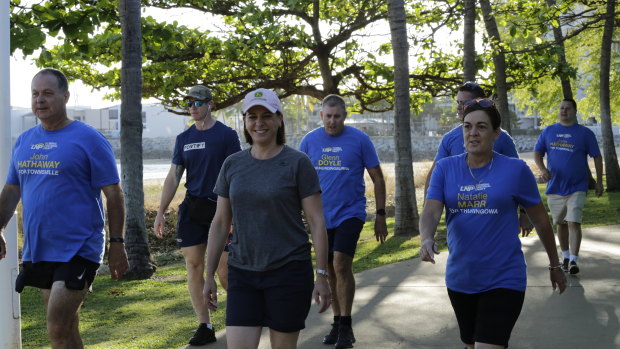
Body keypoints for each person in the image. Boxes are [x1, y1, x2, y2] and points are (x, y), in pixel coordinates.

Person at [420, 99, 567, 349]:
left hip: (504, 277)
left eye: (481, 127)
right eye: (467, 127)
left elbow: (541, 220)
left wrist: (555, 264)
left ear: (496, 133)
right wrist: (426, 238)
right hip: (461, 278)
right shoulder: (445, 169)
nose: (473, 133)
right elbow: (431, 211)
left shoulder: (515, 169)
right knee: (471, 344)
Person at [0, 68, 128, 349]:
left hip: (79, 247)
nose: (40, 100)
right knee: (67, 330)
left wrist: (117, 242)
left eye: (47, 93)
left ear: (65, 96)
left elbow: (114, 194)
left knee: (56, 324)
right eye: (35, 94)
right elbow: (12, 190)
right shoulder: (24, 141)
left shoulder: (89, 139)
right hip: (41, 247)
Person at [203, 88, 331, 349]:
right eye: (252, 116)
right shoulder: (232, 164)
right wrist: (208, 276)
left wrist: (321, 274)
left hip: (289, 271)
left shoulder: (298, 162)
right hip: (242, 272)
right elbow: (219, 223)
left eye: (266, 116)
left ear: (279, 119)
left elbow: (317, 222)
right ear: (245, 122)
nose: (259, 123)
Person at [154, 85, 241, 345]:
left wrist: (236, 214)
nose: (193, 107)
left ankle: (241, 318)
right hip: (193, 209)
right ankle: (205, 325)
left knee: (224, 271)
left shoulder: (226, 135)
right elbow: (173, 176)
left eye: (198, 103)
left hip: (222, 209)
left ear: (210, 104)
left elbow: (236, 175)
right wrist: (160, 211)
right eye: (189, 103)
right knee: (194, 267)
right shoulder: (184, 138)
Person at [299, 94, 388, 348]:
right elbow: (299, 182)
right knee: (328, 271)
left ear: (345, 116)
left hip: (351, 213)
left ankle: (346, 328)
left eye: (337, 116)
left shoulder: (360, 140)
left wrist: (380, 215)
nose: (332, 121)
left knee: (340, 264)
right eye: (328, 116)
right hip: (320, 218)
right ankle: (338, 322)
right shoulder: (309, 141)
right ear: (321, 116)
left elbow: (378, 179)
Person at [424, 82, 533, 235]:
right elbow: (433, 176)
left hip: (498, 224)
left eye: (464, 103)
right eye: (458, 103)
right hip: (461, 228)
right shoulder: (448, 139)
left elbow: (519, 179)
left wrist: (524, 213)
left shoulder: (501, 137)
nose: (459, 107)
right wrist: (427, 214)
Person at [534, 98, 603, 275]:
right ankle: (565, 256)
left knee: (574, 221)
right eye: (561, 108)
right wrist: (542, 170)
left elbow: (596, 156)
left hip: (577, 186)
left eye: (567, 108)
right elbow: (537, 153)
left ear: (574, 111)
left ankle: (573, 260)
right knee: (561, 223)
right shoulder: (549, 131)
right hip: (555, 187)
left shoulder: (585, 133)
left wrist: (599, 182)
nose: (564, 111)